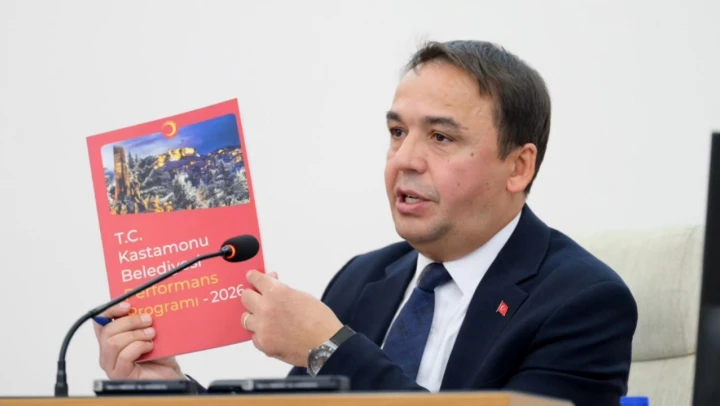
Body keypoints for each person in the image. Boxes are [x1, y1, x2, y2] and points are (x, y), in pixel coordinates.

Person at [94, 40, 638, 406]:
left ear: (518, 167)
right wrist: (169, 389)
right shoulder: (364, 279)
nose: (405, 159)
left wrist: (329, 347)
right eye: (398, 132)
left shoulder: (582, 302)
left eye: (441, 137)